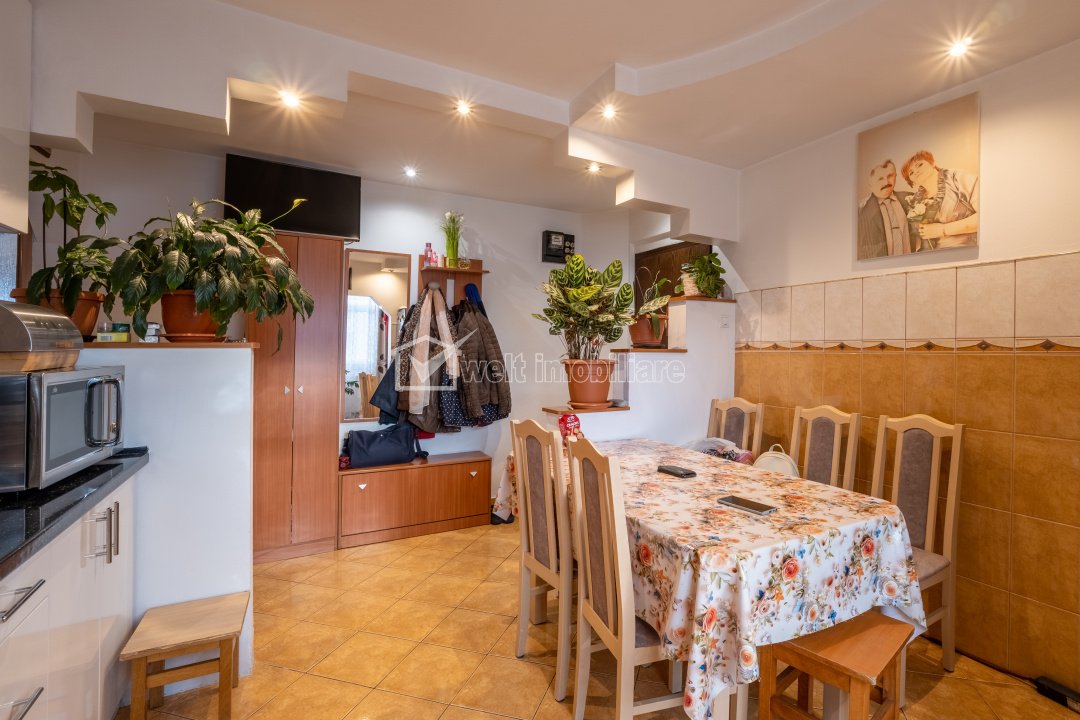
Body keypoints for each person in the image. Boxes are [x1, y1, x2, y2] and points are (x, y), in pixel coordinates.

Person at [901, 150, 978, 249]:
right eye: (911, 173)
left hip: (969, 251)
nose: (916, 171)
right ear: (912, 182)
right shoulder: (914, 202)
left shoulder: (957, 178)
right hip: (936, 256)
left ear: (932, 163)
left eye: (920, 165)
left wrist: (943, 230)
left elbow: (985, 216)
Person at [857, 160, 912, 259]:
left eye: (890, 176)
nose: (886, 182)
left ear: (895, 176)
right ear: (871, 182)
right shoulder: (861, 212)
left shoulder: (909, 199)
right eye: (880, 178)